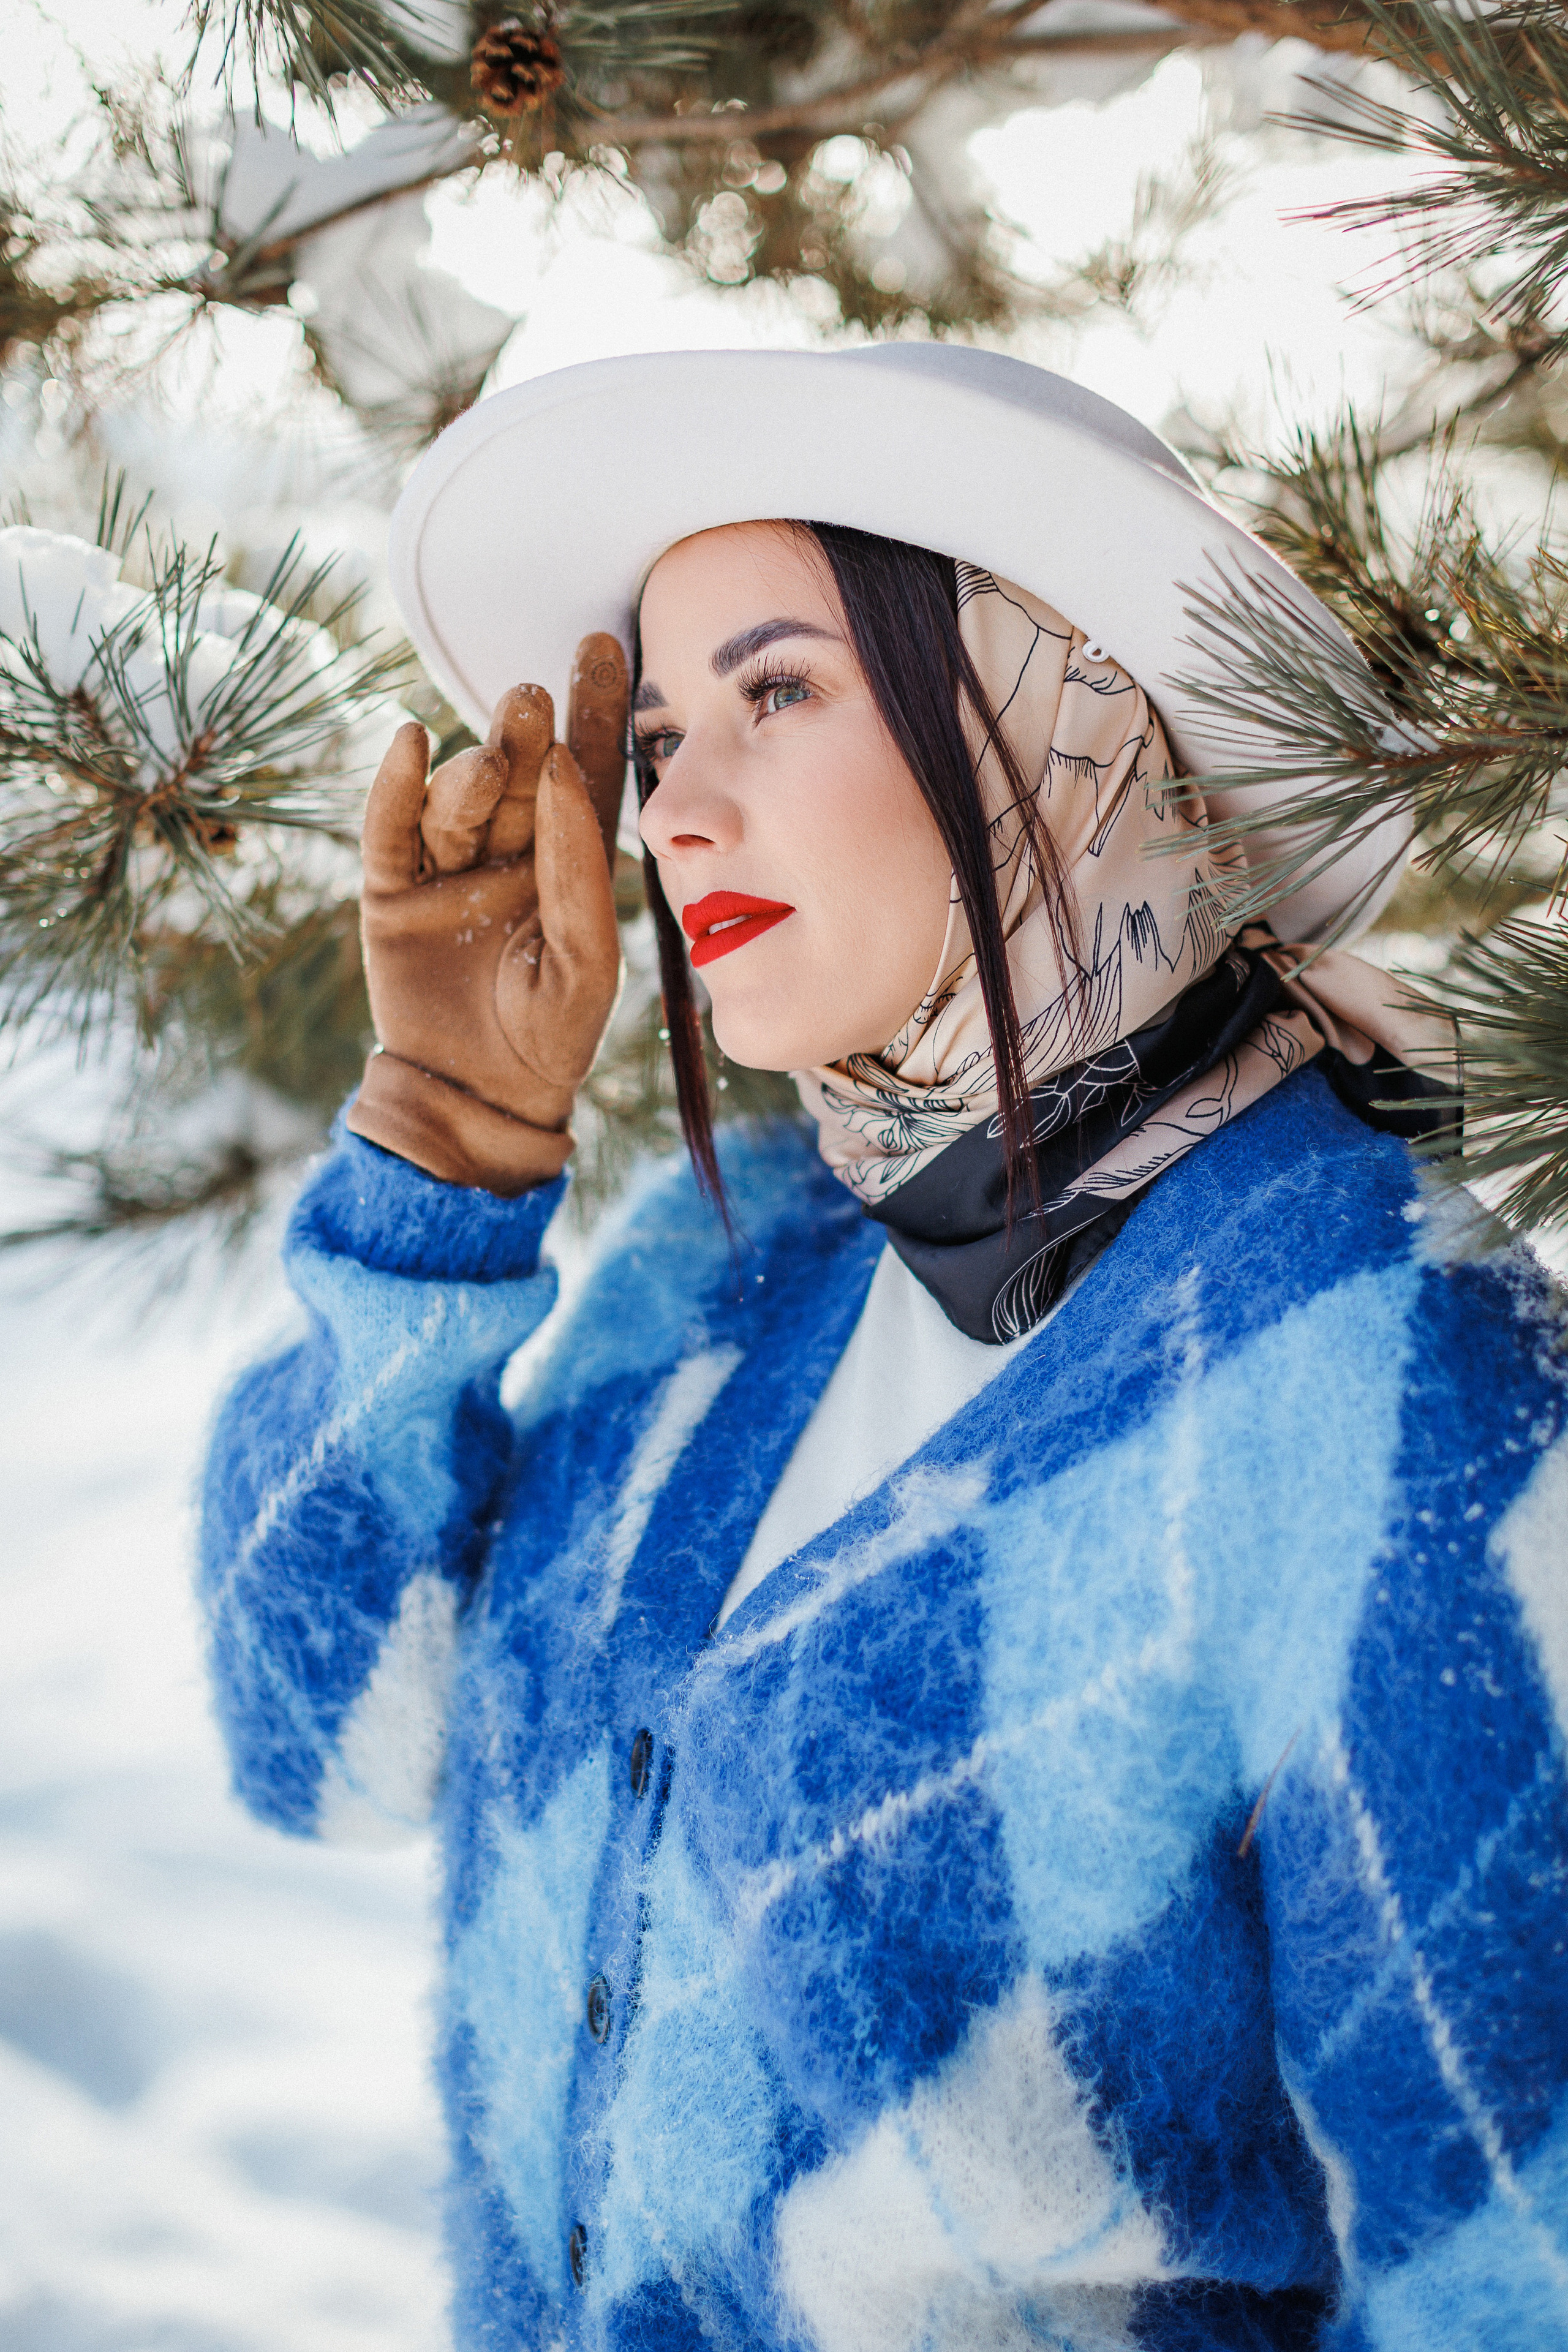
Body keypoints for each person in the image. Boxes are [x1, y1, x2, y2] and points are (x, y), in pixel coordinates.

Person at [199, 348, 1568, 2352]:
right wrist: (440, 1152)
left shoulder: (1393, 1362)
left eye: (778, 692)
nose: (673, 810)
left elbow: (1513, 2263)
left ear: (1064, 715)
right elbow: (320, 1736)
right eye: (657, 737)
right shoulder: (721, 1267)